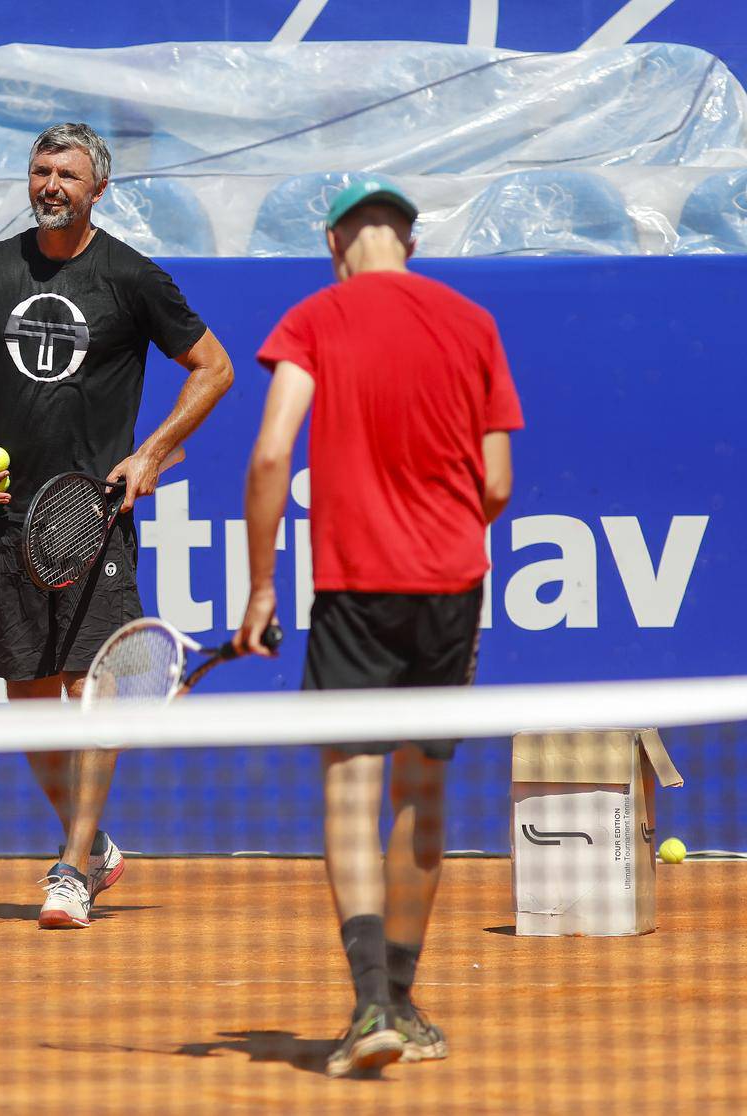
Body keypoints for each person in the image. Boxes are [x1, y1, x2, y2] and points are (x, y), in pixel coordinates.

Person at [235, 180, 522, 1075]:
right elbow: (499, 484)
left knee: (352, 792)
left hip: (357, 589)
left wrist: (260, 587)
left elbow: (275, 449)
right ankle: (403, 996)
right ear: (409, 241)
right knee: (421, 794)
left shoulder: (316, 316)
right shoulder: (473, 322)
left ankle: (369, 1008)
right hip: (451, 588)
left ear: (335, 242)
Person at [0, 123, 233, 930]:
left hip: (96, 516)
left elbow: (215, 366)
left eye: (66, 173)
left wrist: (153, 452)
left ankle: (70, 868)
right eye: (40, 171)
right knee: (28, 696)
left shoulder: (130, 277)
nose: (50, 185)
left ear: (98, 188)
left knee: (91, 691)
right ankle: (94, 843)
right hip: (8, 514)